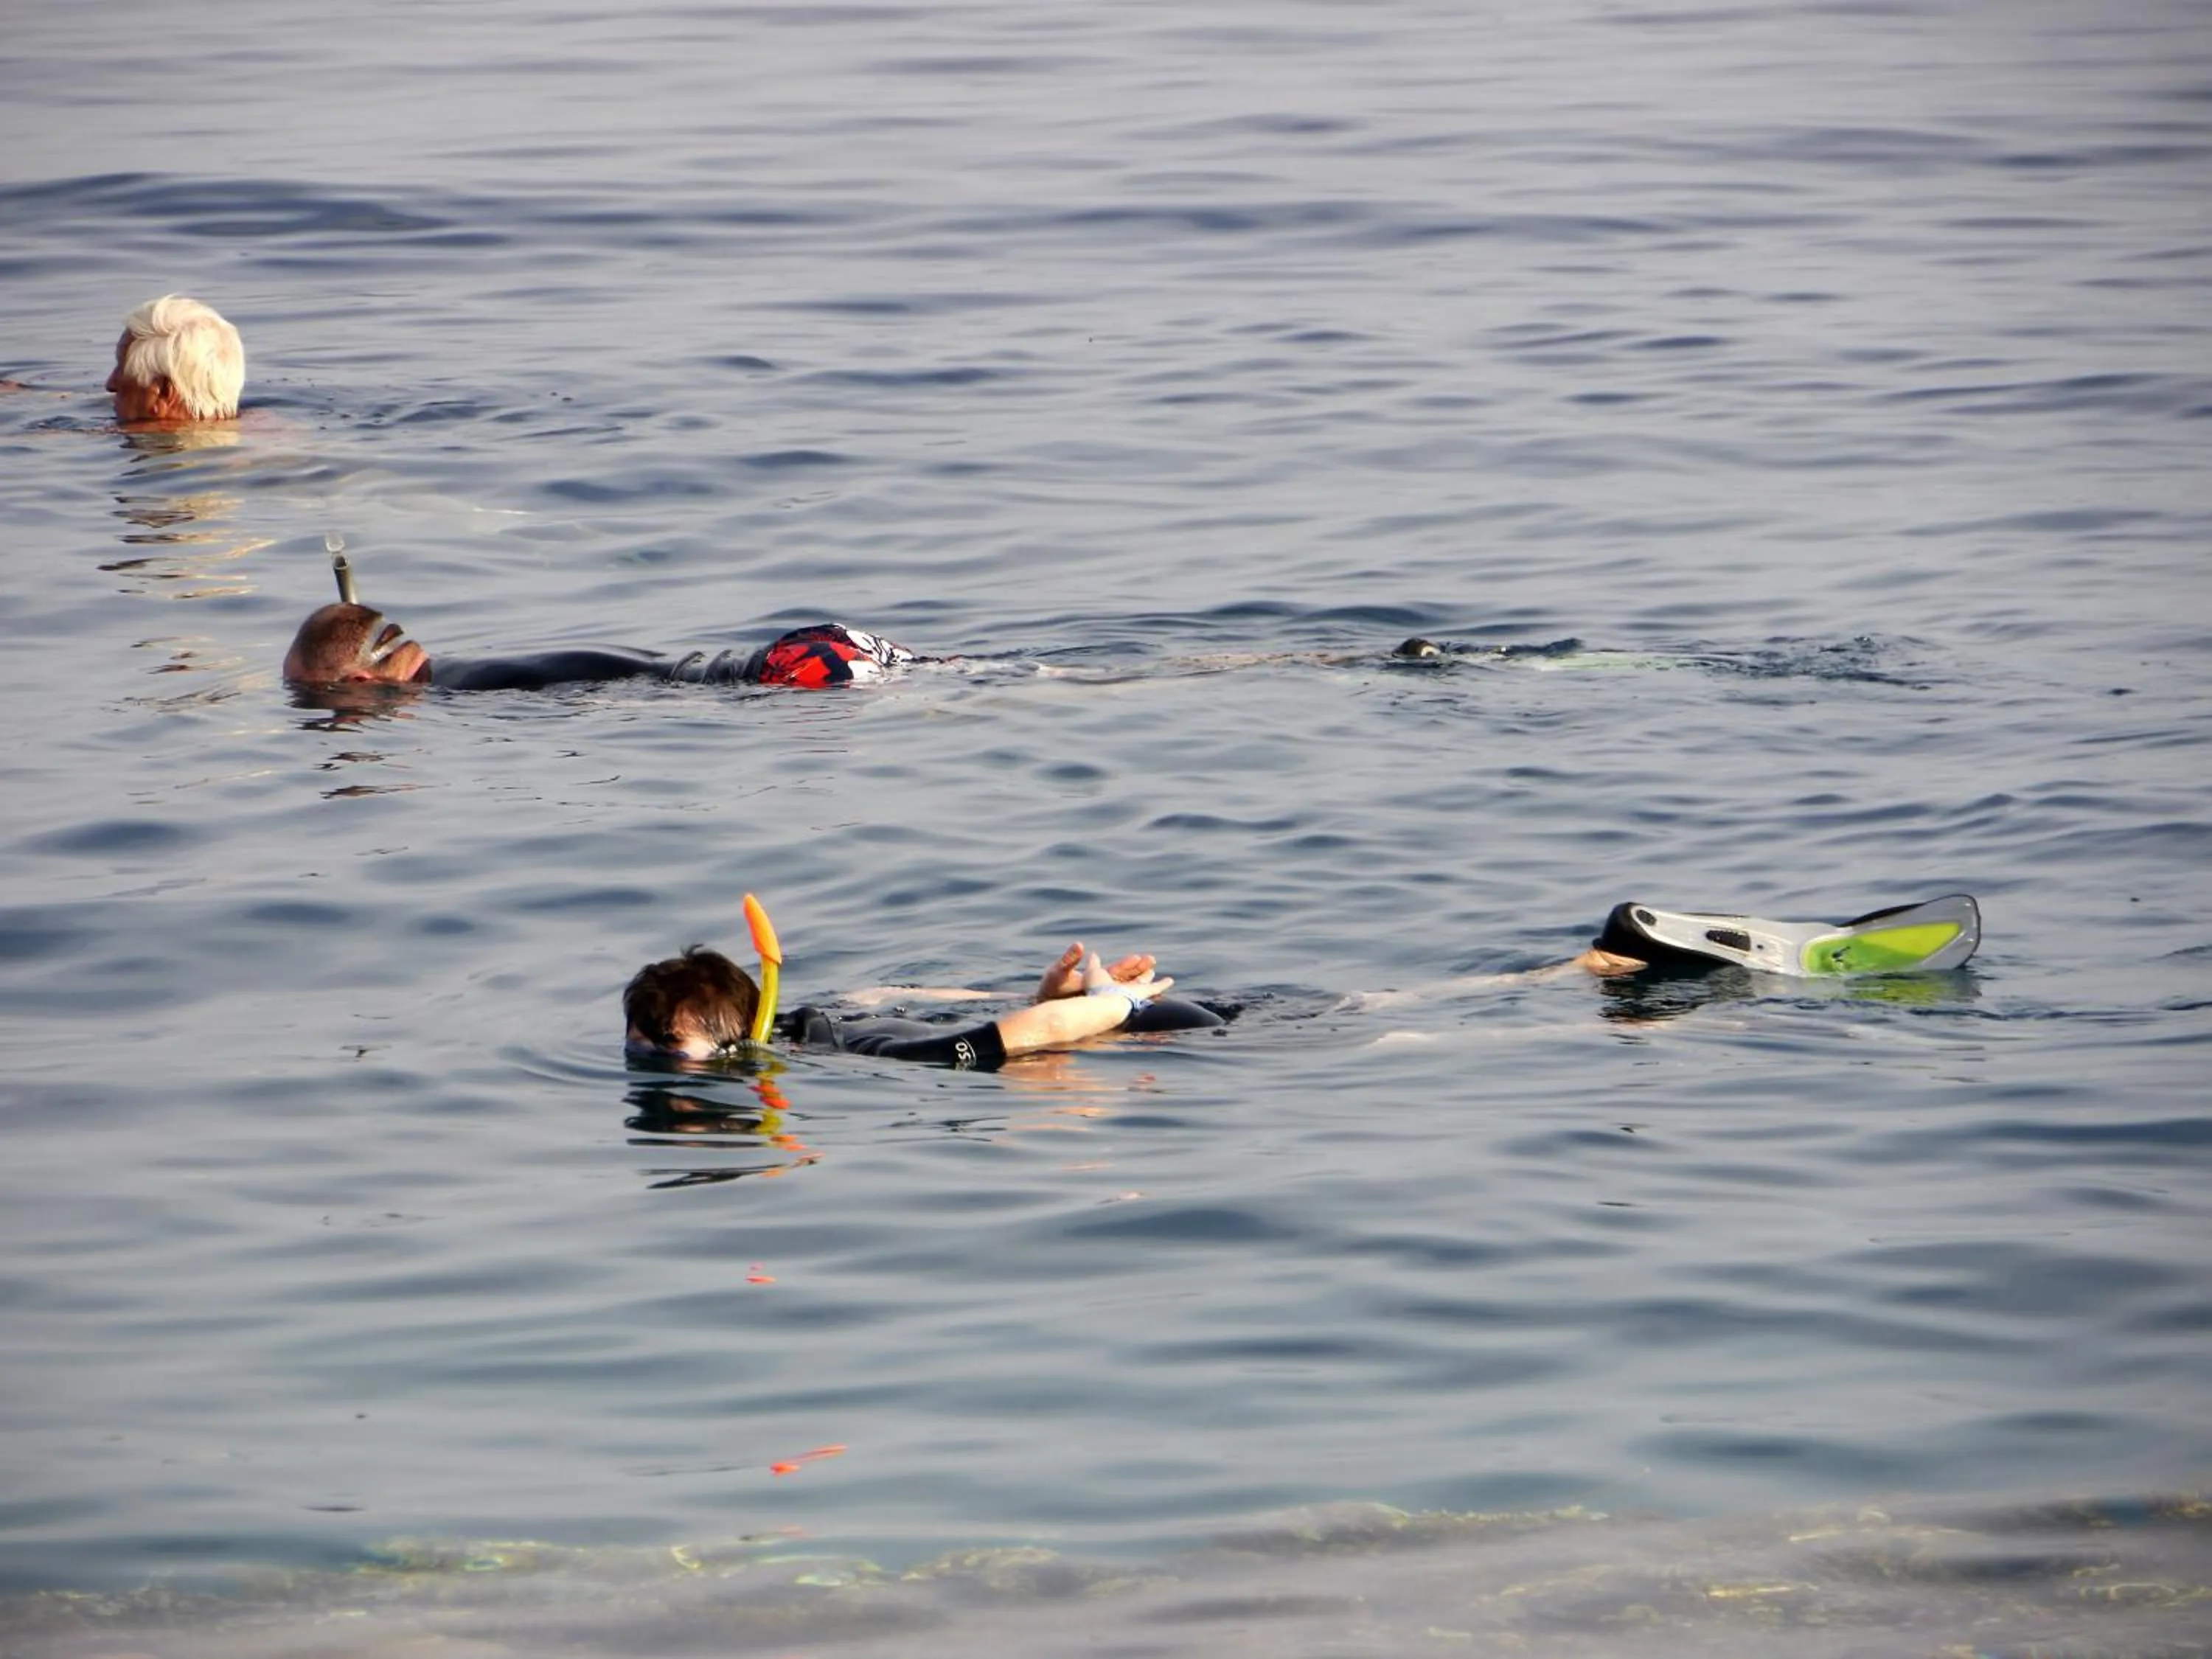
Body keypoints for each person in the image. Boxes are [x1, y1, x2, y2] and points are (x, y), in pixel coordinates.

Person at [625, 940, 1225, 1070]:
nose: (643, 1053)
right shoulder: (797, 1025)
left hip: (1166, 1031)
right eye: (639, 1042)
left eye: (667, 1045)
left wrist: (1114, 1004)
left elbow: (1020, 1035)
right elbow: (897, 995)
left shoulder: (874, 1055)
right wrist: (1041, 995)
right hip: (1084, 1017)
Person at [282, 597, 921, 692]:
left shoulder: (461, 697)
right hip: (807, 646)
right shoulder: (467, 667)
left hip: (788, 679)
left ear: (361, 682)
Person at [107, 296, 245, 426]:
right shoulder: (255, 433)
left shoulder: (116, 437)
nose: (110, 384)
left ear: (165, 392)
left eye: (122, 367)